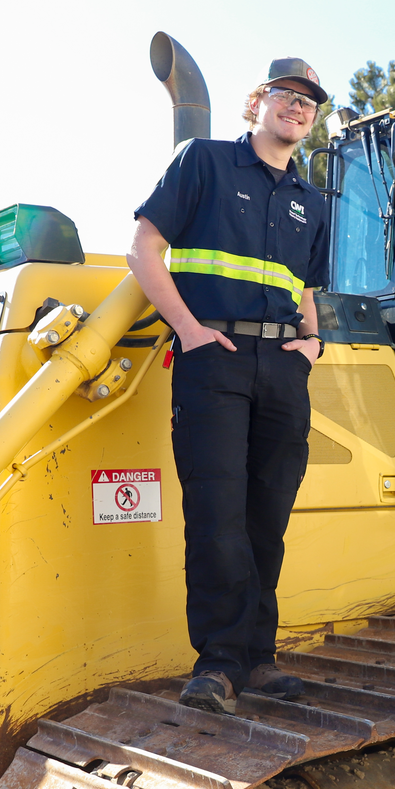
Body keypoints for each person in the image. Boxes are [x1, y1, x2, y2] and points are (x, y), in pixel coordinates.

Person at [126, 57, 330, 713]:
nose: (297, 108)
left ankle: (258, 659)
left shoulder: (310, 201)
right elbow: (142, 249)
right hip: (212, 356)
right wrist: (185, 328)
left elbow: (305, 289)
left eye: (308, 103)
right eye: (286, 96)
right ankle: (217, 664)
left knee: (266, 517)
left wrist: (312, 341)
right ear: (258, 102)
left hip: (282, 368)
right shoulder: (204, 163)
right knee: (217, 516)